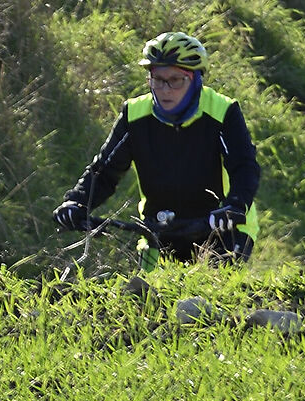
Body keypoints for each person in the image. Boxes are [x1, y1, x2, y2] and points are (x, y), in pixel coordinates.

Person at [52, 31, 260, 262]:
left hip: (223, 231)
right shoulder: (134, 114)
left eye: (175, 80)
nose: (165, 89)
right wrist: (77, 202)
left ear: (195, 79)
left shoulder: (223, 111)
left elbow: (244, 166)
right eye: (158, 79)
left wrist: (235, 205)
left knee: (205, 295)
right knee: (146, 296)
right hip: (158, 230)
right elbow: (105, 171)